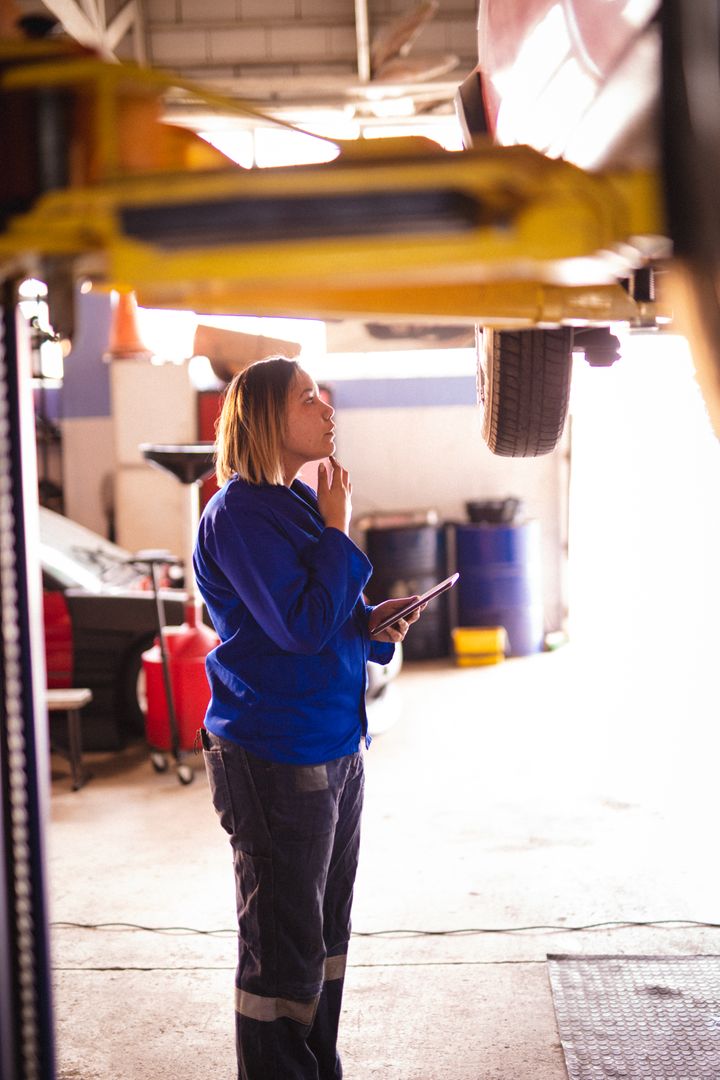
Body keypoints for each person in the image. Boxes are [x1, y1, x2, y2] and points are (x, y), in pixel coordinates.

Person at [193, 356, 424, 1080]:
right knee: (283, 954)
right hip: (276, 754)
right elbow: (296, 627)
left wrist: (370, 625)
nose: (326, 409)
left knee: (322, 937)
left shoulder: (288, 503)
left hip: (331, 743)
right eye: (306, 399)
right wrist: (337, 528)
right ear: (266, 420)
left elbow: (321, 620)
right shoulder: (239, 513)